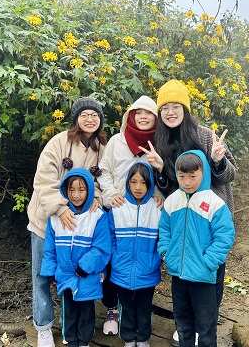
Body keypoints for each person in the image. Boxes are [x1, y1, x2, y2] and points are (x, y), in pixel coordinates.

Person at [139, 79, 238, 346]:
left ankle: (204, 327)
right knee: (183, 281)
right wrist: (160, 170)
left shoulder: (205, 136)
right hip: (183, 221)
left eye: (176, 106)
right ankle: (188, 327)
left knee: (211, 278)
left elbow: (230, 175)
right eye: (164, 108)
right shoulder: (160, 143)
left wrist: (218, 160)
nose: (170, 112)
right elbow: (172, 188)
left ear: (185, 108)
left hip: (210, 217)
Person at [27, 97, 107, 347]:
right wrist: (60, 208)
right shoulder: (59, 143)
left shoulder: (102, 149)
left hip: (82, 229)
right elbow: (43, 180)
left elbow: (107, 180)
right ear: (76, 119)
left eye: (95, 115)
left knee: (79, 273)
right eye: (85, 114)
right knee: (42, 276)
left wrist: (99, 197)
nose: (90, 119)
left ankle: (78, 332)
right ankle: (43, 327)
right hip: (47, 222)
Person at [97, 95, 163, 335]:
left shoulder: (160, 142)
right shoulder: (117, 141)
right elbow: (104, 171)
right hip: (117, 207)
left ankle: (138, 313)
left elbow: (162, 174)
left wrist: (159, 196)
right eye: (138, 113)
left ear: (156, 117)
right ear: (130, 116)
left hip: (145, 210)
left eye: (148, 113)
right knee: (113, 262)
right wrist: (112, 194)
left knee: (139, 256)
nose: (143, 117)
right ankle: (112, 309)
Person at [158, 150, 235, 347]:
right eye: (182, 176)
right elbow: (164, 229)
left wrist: (209, 261)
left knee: (206, 326)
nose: (187, 182)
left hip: (203, 276)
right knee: (183, 323)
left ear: (203, 173)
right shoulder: (172, 201)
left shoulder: (214, 204)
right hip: (179, 275)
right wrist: (167, 253)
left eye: (193, 176)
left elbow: (225, 237)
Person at [41, 169, 111, 347]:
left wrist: (86, 266)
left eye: (81, 190)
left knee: (87, 311)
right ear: (66, 190)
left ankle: (84, 341)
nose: (76, 195)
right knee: (69, 311)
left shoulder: (98, 216)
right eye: (71, 190)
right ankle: (71, 340)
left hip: (87, 275)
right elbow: (49, 248)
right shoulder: (56, 218)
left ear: (89, 190)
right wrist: (50, 271)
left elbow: (101, 248)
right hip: (65, 274)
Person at [107, 163, 162, 347]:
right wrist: (115, 258)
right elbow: (110, 238)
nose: (138, 187)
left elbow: (162, 239)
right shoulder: (118, 208)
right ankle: (128, 338)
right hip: (121, 270)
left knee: (144, 308)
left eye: (143, 182)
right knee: (126, 307)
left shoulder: (157, 209)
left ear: (150, 184)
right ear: (127, 183)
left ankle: (143, 338)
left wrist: (156, 259)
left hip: (148, 271)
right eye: (133, 182)